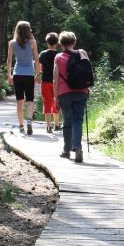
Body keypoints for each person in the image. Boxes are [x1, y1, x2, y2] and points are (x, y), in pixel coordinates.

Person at [53, 30, 90, 163]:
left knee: (67, 121)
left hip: (64, 93)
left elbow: (55, 79)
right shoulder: (83, 53)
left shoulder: (58, 57)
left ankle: (66, 150)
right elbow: (88, 73)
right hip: (81, 92)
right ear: (74, 42)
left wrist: (55, 97)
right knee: (78, 121)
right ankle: (78, 148)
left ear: (61, 44)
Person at [7, 20, 40, 134]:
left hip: (17, 74)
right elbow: (36, 59)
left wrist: (9, 75)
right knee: (30, 99)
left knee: (20, 101)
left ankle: (21, 125)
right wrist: (38, 73)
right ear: (28, 30)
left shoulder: (12, 43)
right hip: (29, 74)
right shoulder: (32, 42)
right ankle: (29, 122)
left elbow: (9, 61)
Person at [38, 32, 59, 133]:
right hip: (56, 82)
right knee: (56, 102)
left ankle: (48, 126)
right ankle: (56, 124)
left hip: (45, 81)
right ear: (57, 42)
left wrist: (39, 74)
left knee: (47, 102)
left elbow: (39, 67)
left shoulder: (43, 54)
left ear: (47, 42)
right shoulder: (59, 55)